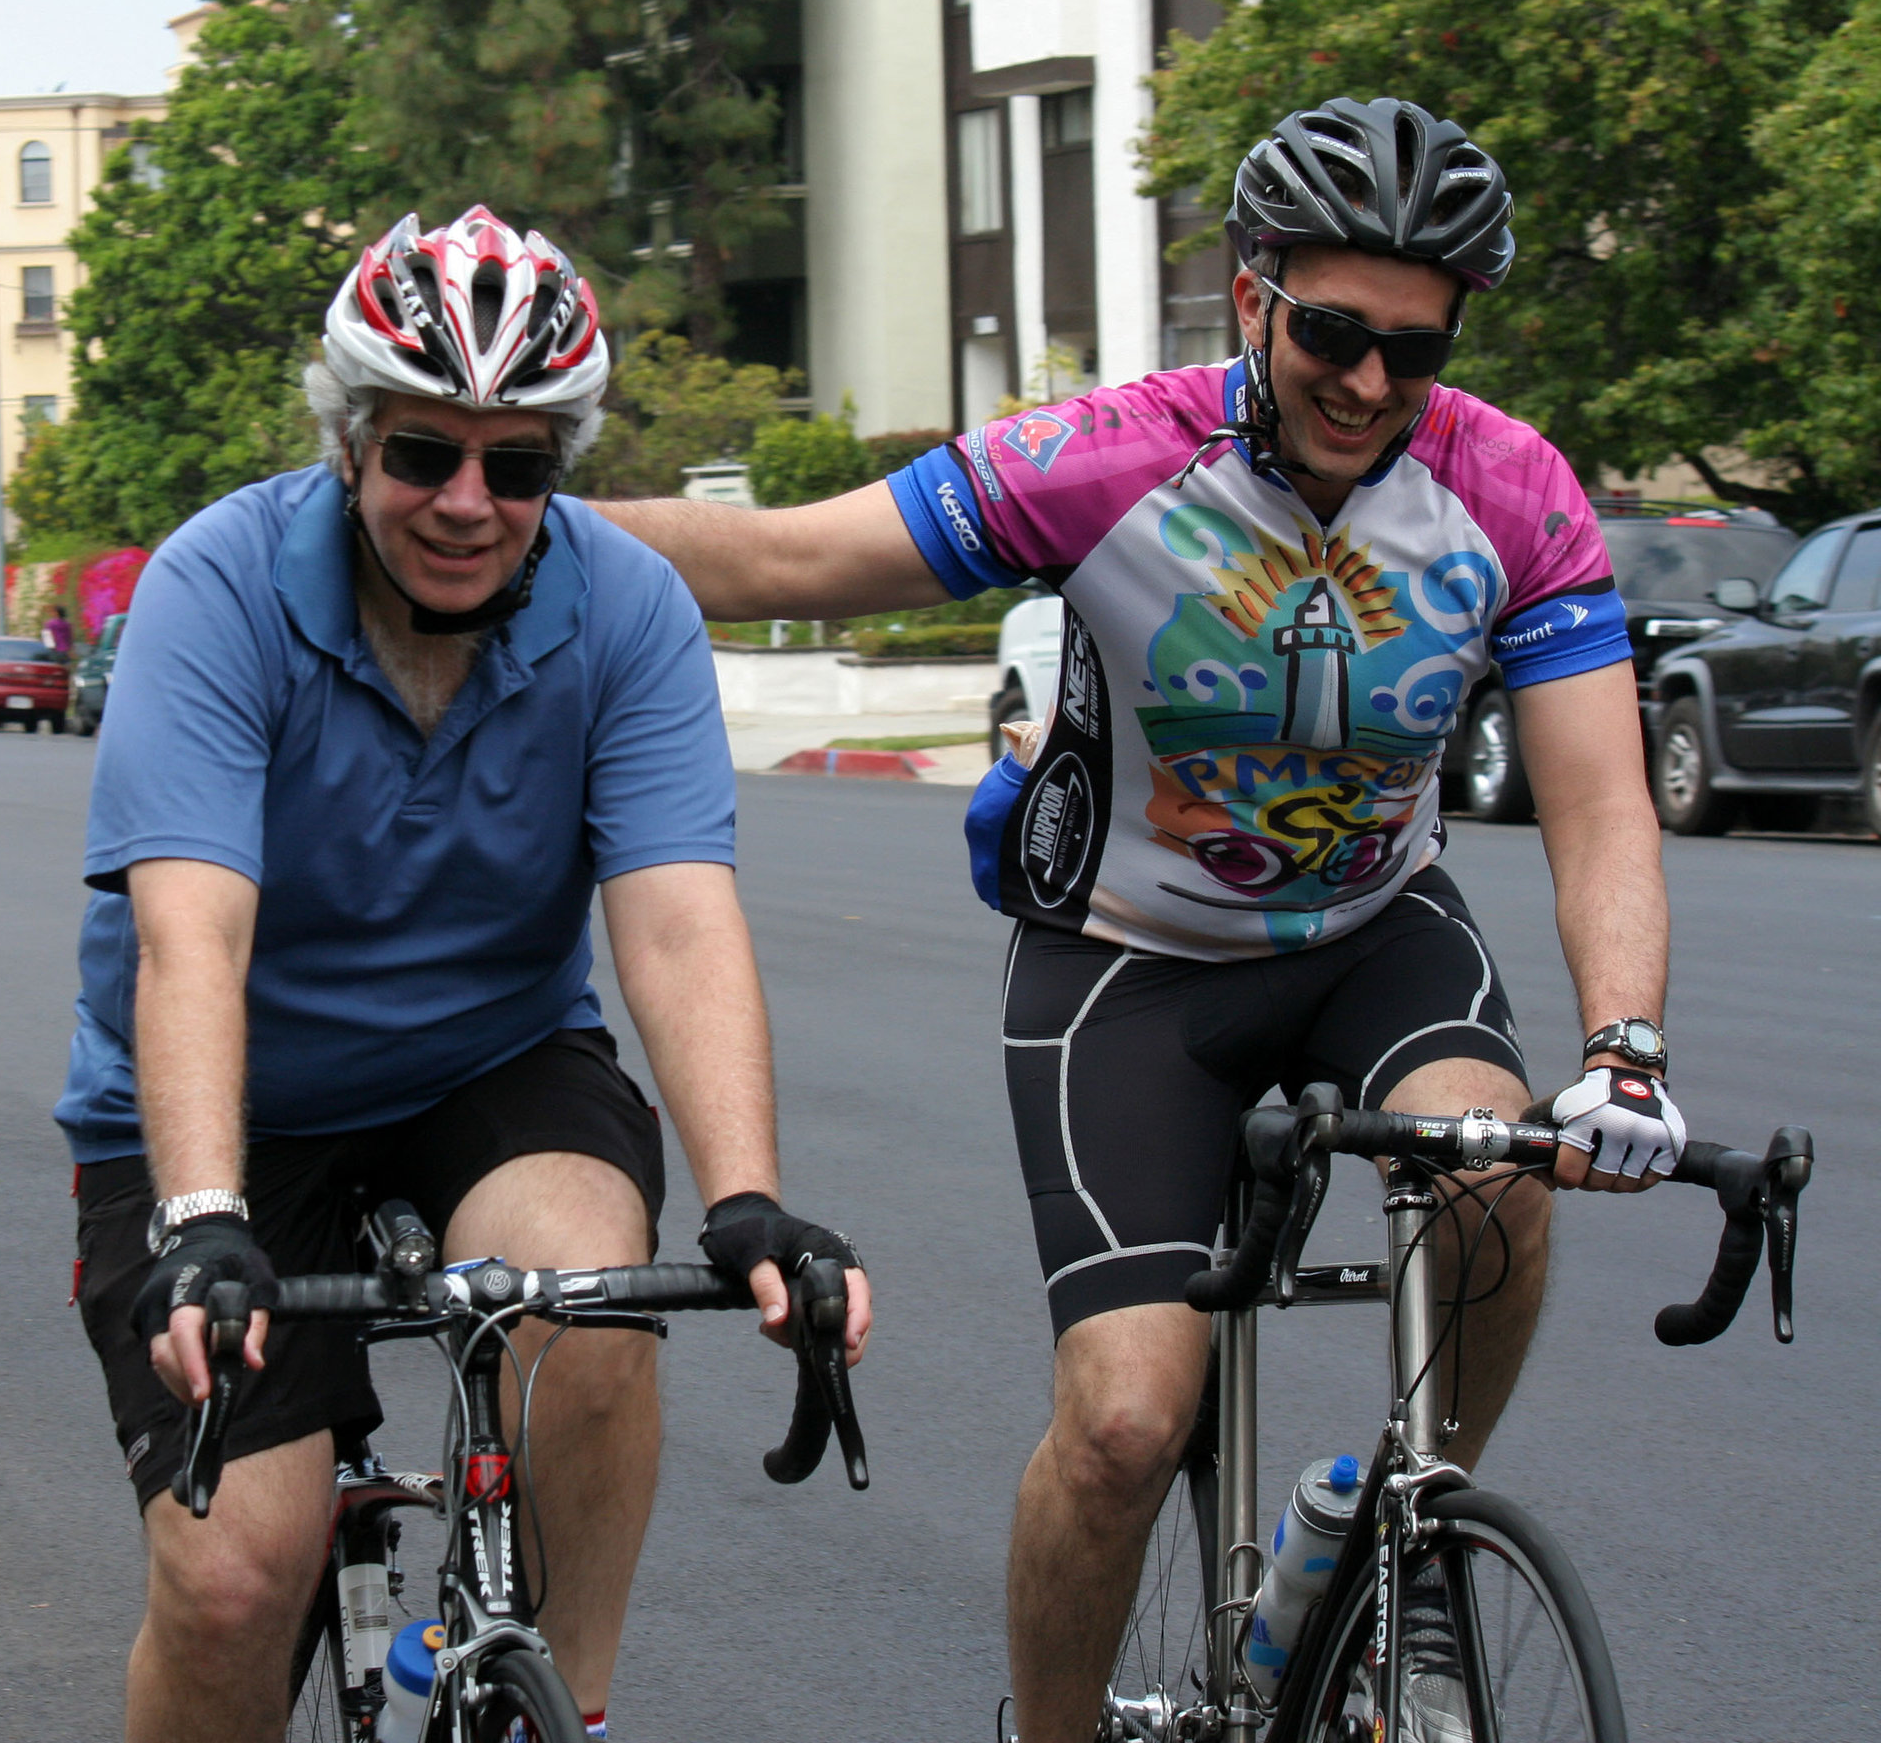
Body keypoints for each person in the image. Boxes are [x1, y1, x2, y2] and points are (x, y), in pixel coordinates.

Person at [596, 99, 1683, 1743]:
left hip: (1375, 931)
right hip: (1129, 965)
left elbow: (1601, 799)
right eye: (1334, 333)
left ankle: (1410, 1543)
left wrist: (1626, 1044)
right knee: (1120, 1426)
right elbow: (779, 553)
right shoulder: (1109, 458)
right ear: (1250, 293)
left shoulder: (1511, 492)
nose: (1373, 386)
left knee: (1495, 1166)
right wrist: (512, 512)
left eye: (1417, 348)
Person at [57, 205, 870, 1743]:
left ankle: (564, 1707)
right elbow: (191, 935)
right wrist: (204, 1214)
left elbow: (680, 920)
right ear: (351, 443)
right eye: (426, 454)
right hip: (224, 1106)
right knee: (241, 1582)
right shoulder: (217, 586)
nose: (468, 501)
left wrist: (748, 1193)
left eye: (519, 465)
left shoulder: (625, 606)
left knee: (586, 1314)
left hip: (488, 1062)